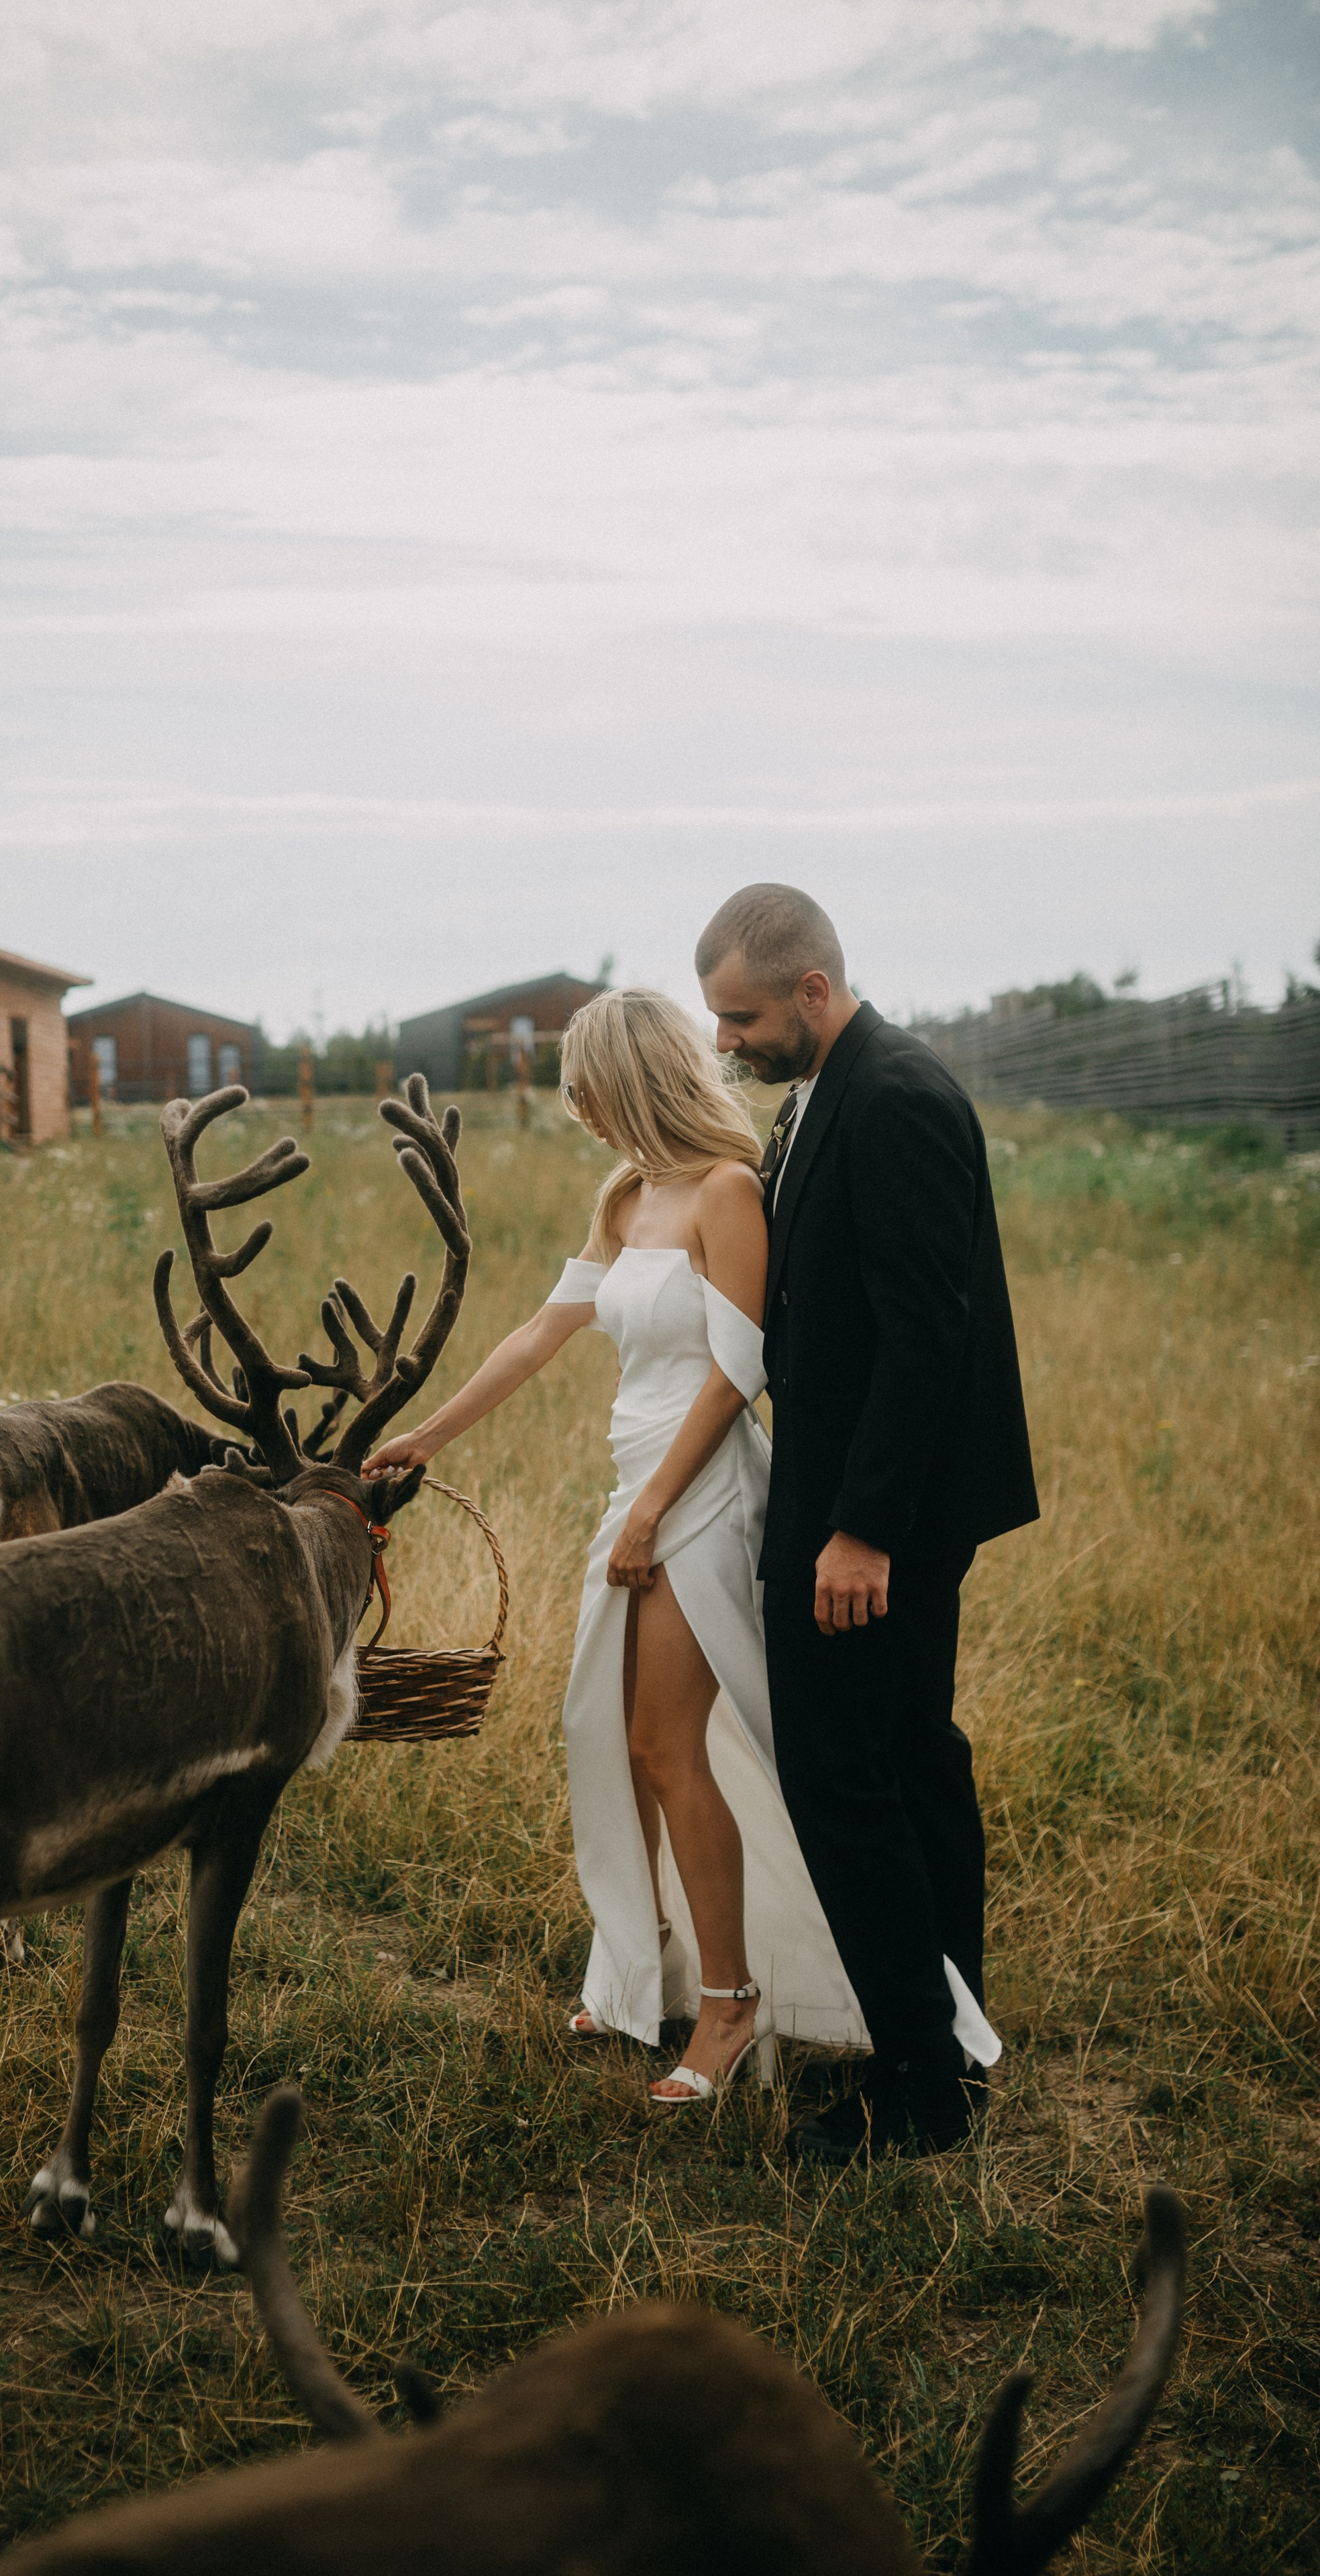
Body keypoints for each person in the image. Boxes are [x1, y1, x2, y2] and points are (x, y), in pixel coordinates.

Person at [363, 986, 998, 2107]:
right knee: (603, 1731)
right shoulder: (624, 1198)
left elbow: (739, 1366)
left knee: (668, 1745)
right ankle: (642, 1965)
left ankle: (731, 2004)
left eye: (590, 1093)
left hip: (701, 1492)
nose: (583, 1115)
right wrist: (423, 1434)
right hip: (637, 1486)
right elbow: (542, 1331)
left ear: (635, 1079)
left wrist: (658, 1505)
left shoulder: (725, 1190)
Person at [695, 885, 1037, 2164]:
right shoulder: (829, 1093)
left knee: (845, 1777)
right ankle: (953, 2037)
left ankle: (918, 2088)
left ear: (813, 993)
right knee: (907, 1758)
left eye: (742, 1016)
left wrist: (864, 1532)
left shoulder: (895, 1099)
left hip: (871, 1514)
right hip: (848, 1489)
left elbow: (924, 1338)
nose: (728, 1041)